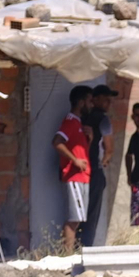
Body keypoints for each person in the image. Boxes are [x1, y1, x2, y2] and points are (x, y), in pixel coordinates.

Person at [53, 85, 93, 253]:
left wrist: (90, 138)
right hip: (74, 177)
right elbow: (57, 142)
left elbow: (83, 151)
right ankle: (67, 255)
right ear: (81, 102)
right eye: (89, 101)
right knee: (73, 219)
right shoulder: (70, 122)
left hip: (83, 176)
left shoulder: (79, 125)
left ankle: (70, 253)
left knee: (78, 218)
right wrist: (74, 160)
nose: (92, 105)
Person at [80, 83, 119, 246]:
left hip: (81, 170)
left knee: (80, 212)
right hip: (94, 170)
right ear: (94, 100)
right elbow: (109, 148)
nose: (108, 103)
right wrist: (104, 162)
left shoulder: (82, 116)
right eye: (105, 99)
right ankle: (86, 248)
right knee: (92, 212)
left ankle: (77, 247)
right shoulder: (103, 119)